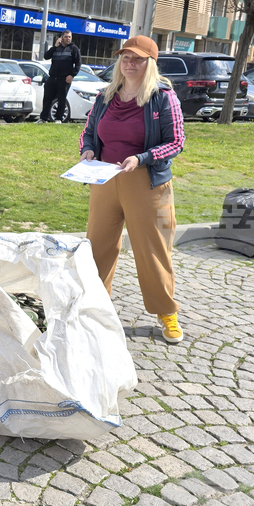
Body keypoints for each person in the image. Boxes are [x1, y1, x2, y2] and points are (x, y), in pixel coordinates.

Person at [79, 35, 186, 344]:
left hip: (146, 184)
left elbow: (176, 142)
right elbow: (88, 132)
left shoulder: (163, 98)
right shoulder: (105, 96)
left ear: (149, 63)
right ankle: (93, 310)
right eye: (125, 57)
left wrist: (142, 158)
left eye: (137, 58)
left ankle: (167, 312)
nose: (129, 63)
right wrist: (87, 150)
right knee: (97, 248)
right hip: (105, 181)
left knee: (153, 251)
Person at [40, 30, 81, 123]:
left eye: (69, 37)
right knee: (47, 98)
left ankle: (58, 119)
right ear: (62, 38)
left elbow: (78, 64)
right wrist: (55, 46)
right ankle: (43, 118)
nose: (68, 38)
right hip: (53, 77)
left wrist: (72, 75)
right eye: (66, 37)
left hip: (64, 79)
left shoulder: (74, 49)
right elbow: (46, 56)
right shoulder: (56, 48)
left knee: (61, 99)